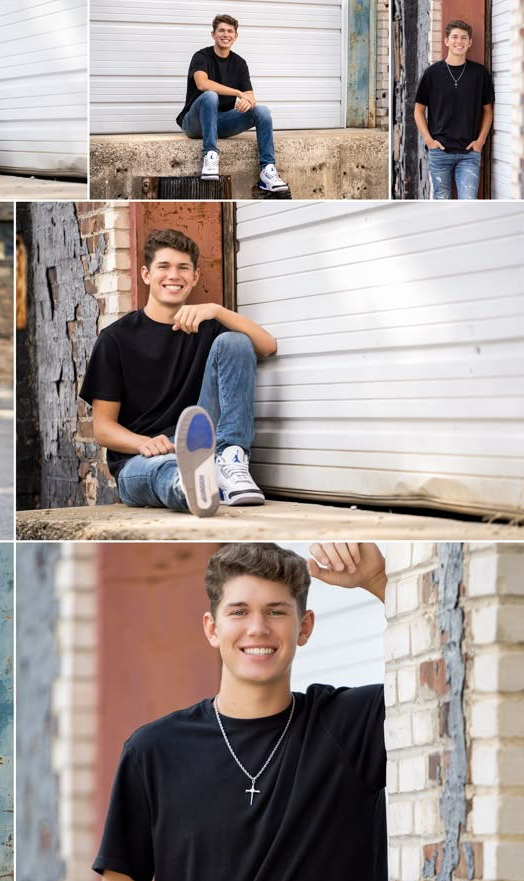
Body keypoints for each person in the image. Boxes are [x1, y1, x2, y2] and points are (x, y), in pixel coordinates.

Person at [93, 542, 388, 881]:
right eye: (239, 612)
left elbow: (450, 677)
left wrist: (379, 581)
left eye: (276, 611)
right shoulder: (153, 750)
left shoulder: (353, 728)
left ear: (304, 627)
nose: (258, 627)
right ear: (212, 628)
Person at [79, 228, 277, 517]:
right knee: (165, 472)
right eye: (164, 266)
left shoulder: (208, 327)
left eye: (183, 268)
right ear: (147, 274)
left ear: (195, 277)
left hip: (205, 446)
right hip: (142, 459)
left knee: (236, 341)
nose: (174, 275)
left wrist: (217, 310)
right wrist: (143, 442)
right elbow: (103, 429)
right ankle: (191, 486)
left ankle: (230, 458)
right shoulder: (115, 339)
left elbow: (267, 345)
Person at [176, 14, 288, 192]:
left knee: (263, 111)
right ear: (213, 34)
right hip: (195, 124)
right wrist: (237, 93)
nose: (225, 34)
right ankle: (210, 156)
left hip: (221, 122)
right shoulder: (201, 56)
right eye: (221, 30)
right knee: (210, 96)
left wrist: (247, 102)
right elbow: (202, 84)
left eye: (230, 31)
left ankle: (267, 171)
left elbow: (251, 97)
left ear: (236, 36)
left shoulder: (240, 63)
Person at [414, 19, 494, 200]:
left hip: (469, 154)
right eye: (455, 37)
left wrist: (480, 141)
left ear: (470, 42)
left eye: (464, 38)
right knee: (442, 201)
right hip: (439, 152)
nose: (460, 41)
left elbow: (488, 110)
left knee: (468, 201)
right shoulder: (432, 74)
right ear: (446, 41)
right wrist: (429, 140)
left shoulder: (480, 74)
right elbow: (418, 110)